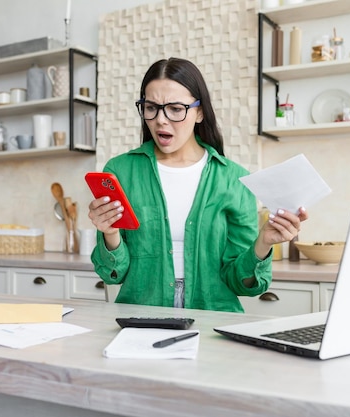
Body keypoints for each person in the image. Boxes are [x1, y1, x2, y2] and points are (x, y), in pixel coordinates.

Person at [88, 57, 308, 313]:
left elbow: (243, 284)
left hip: (213, 320)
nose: (160, 120)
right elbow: (113, 274)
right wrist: (110, 233)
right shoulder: (121, 172)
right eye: (151, 107)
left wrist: (264, 242)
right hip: (141, 317)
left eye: (176, 109)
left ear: (200, 112)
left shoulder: (234, 179)